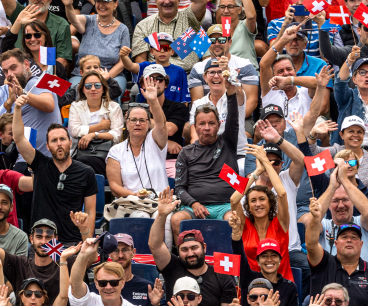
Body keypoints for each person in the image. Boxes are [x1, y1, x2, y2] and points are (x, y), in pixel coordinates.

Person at [11, 95, 97, 246]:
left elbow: (90, 212)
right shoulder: (39, 164)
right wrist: (17, 109)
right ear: (47, 146)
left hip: (72, 241)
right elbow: (19, 138)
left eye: (62, 139)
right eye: (54, 141)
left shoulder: (86, 172)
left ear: (70, 143)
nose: (59, 144)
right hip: (42, 240)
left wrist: (87, 244)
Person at [172, 57, 240, 228]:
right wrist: (194, 204)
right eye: (202, 124)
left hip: (225, 206)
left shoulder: (228, 142)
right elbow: (179, 188)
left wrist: (231, 93)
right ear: (196, 126)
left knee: (234, 221)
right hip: (193, 206)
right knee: (176, 220)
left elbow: (233, 118)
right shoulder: (186, 152)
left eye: (211, 123)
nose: (207, 128)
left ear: (219, 125)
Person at [304, 195, 368, 306]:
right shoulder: (323, 263)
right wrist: (315, 218)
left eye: (354, 237)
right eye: (344, 237)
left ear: (361, 244)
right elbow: (311, 245)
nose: (349, 240)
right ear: (336, 243)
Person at [148, 198, 236, 306]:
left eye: (194, 248)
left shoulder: (222, 276)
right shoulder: (172, 267)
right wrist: (162, 215)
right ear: (178, 251)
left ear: (204, 247)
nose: (190, 253)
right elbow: (154, 245)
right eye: (184, 249)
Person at [230, 145, 292, 282]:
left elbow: (281, 193)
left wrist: (265, 161)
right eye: (253, 201)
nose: (258, 204)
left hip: (282, 287)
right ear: (248, 207)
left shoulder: (281, 223)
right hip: (252, 288)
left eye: (262, 199)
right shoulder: (244, 224)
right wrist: (257, 172)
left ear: (270, 204)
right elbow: (234, 200)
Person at [230, 214, 298, 306]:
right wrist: (236, 233)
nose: (269, 260)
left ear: (280, 260)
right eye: (264, 256)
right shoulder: (249, 278)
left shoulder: (290, 287)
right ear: (257, 261)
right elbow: (239, 254)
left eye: (274, 256)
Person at [106, 77, 169, 198]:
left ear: (149, 124)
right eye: (133, 120)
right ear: (126, 124)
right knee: (139, 215)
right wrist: (135, 195)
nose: (138, 123)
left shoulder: (155, 141)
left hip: (159, 203)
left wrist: (153, 101)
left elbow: (161, 125)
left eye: (142, 120)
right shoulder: (116, 151)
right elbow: (114, 187)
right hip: (130, 202)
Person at [62, 0, 130, 94]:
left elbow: (123, 62)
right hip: (82, 74)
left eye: (106, 1)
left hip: (111, 75)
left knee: (113, 91)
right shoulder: (88, 20)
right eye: (98, 1)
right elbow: (73, 19)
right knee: (75, 92)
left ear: (115, 4)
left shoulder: (123, 30)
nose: (101, 5)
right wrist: (69, 6)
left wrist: (105, 78)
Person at [129, 0, 207, 71]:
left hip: (188, 78)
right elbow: (140, 61)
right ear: (156, 0)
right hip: (155, 77)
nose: (166, 1)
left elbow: (202, 0)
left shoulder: (189, 17)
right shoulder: (143, 25)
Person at [0, 0, 72, 70]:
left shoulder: (61, 24)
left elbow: (62, 59)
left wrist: (43, 76)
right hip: (17, 72)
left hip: (47, 74)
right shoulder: (19, 13)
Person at [66, 69, 123, 177]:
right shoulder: (76, 106)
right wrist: (100, 126)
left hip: (107, 154)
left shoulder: (113, 107)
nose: (93, 89)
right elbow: (74, 131)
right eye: (88, 86)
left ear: (103, 88)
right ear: (82, 89)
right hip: (81, 153)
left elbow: (116, 135)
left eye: (97, 85)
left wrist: (93, 135)